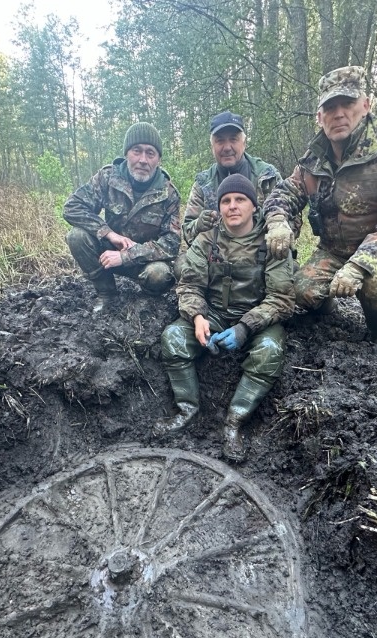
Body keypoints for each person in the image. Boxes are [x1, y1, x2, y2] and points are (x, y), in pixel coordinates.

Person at [263, 66, 377, 342]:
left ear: (365, 105)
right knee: (300, 290)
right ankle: (328, 315)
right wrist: (277, 221)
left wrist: (356, 267)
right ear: (319, 116)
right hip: (334, 248)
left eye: (347, 103)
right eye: (329, 107)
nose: (339, 114)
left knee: (375, 283)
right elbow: (286, 192)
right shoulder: (313, 159)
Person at [155, 174, 295, 462]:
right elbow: (189, 285)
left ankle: (234, 421)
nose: (232, 206)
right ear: (219, 207)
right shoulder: (207, 239)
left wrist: (246, 327)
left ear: (254, 206)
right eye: (226, 201)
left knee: (269, 352)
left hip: (259, 320)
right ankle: (187, 408)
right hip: (215, 315)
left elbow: (282, 298)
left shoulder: (271, 242)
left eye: (240, 200)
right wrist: (197, 316)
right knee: (172, 338)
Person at [63, 122, 181, 313]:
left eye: (150, 153)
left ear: (158, 159)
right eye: (137, 151)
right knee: (76, 236)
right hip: (108, 253)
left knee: (159, 275)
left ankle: (148, 302)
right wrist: (108, 233)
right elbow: (72, 207)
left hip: (145, 261)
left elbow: (171, 243)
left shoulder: (169, 193)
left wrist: (127, 256)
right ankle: (107, 293)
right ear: (127, 153)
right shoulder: (108, 177)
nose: (143, 159)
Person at [181, 111, 284, 244]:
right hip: (217, 256)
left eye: (233, 139)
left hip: (261, 253)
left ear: (244, 142)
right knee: (184, 263)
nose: (227, 147)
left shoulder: (267, 176)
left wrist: (276, 226)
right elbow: (187, 233)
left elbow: (290, 220)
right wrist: (200, 224)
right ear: (212, 146)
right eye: (220, 141)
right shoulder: (203, 184)